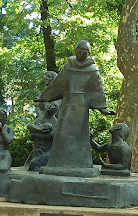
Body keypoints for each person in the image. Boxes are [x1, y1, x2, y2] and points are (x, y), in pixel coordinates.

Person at [34, 40, 114, 176]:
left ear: (88, 54)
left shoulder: (92, 70)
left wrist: (102, 108)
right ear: (75, 51)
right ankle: (58, 163)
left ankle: (80, 163)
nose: (81, 55)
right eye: (79, 52)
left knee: (79, 135)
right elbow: (57, 84)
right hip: (67, 104)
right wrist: (44, 97)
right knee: (63, 133)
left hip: (81, 106)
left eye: (84, 53)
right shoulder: (68, 66)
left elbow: (97, 89)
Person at [27, 101, 58, 171]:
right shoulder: (40, 119)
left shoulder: (55, 122)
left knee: (34, 164)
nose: (50, 107)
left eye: (54, 106)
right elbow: (30, 125)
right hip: (37, 151)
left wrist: (35, 134)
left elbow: (53, 137)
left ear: (55, 111)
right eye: (49, 105)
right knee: (33, 163)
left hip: (48, 152)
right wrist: (39, 129)